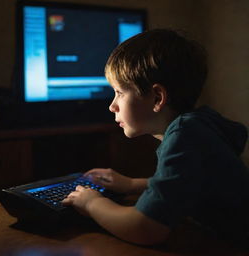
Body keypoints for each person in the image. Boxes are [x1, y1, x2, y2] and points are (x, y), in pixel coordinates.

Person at [62, 28, 249, 245]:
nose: (112, 105)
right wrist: (132, 184)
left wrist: (91, 203)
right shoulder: (198, 124)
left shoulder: (184, 137)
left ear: (157, 98)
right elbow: (185, 181)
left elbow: (145, 228)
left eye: (120, 93)